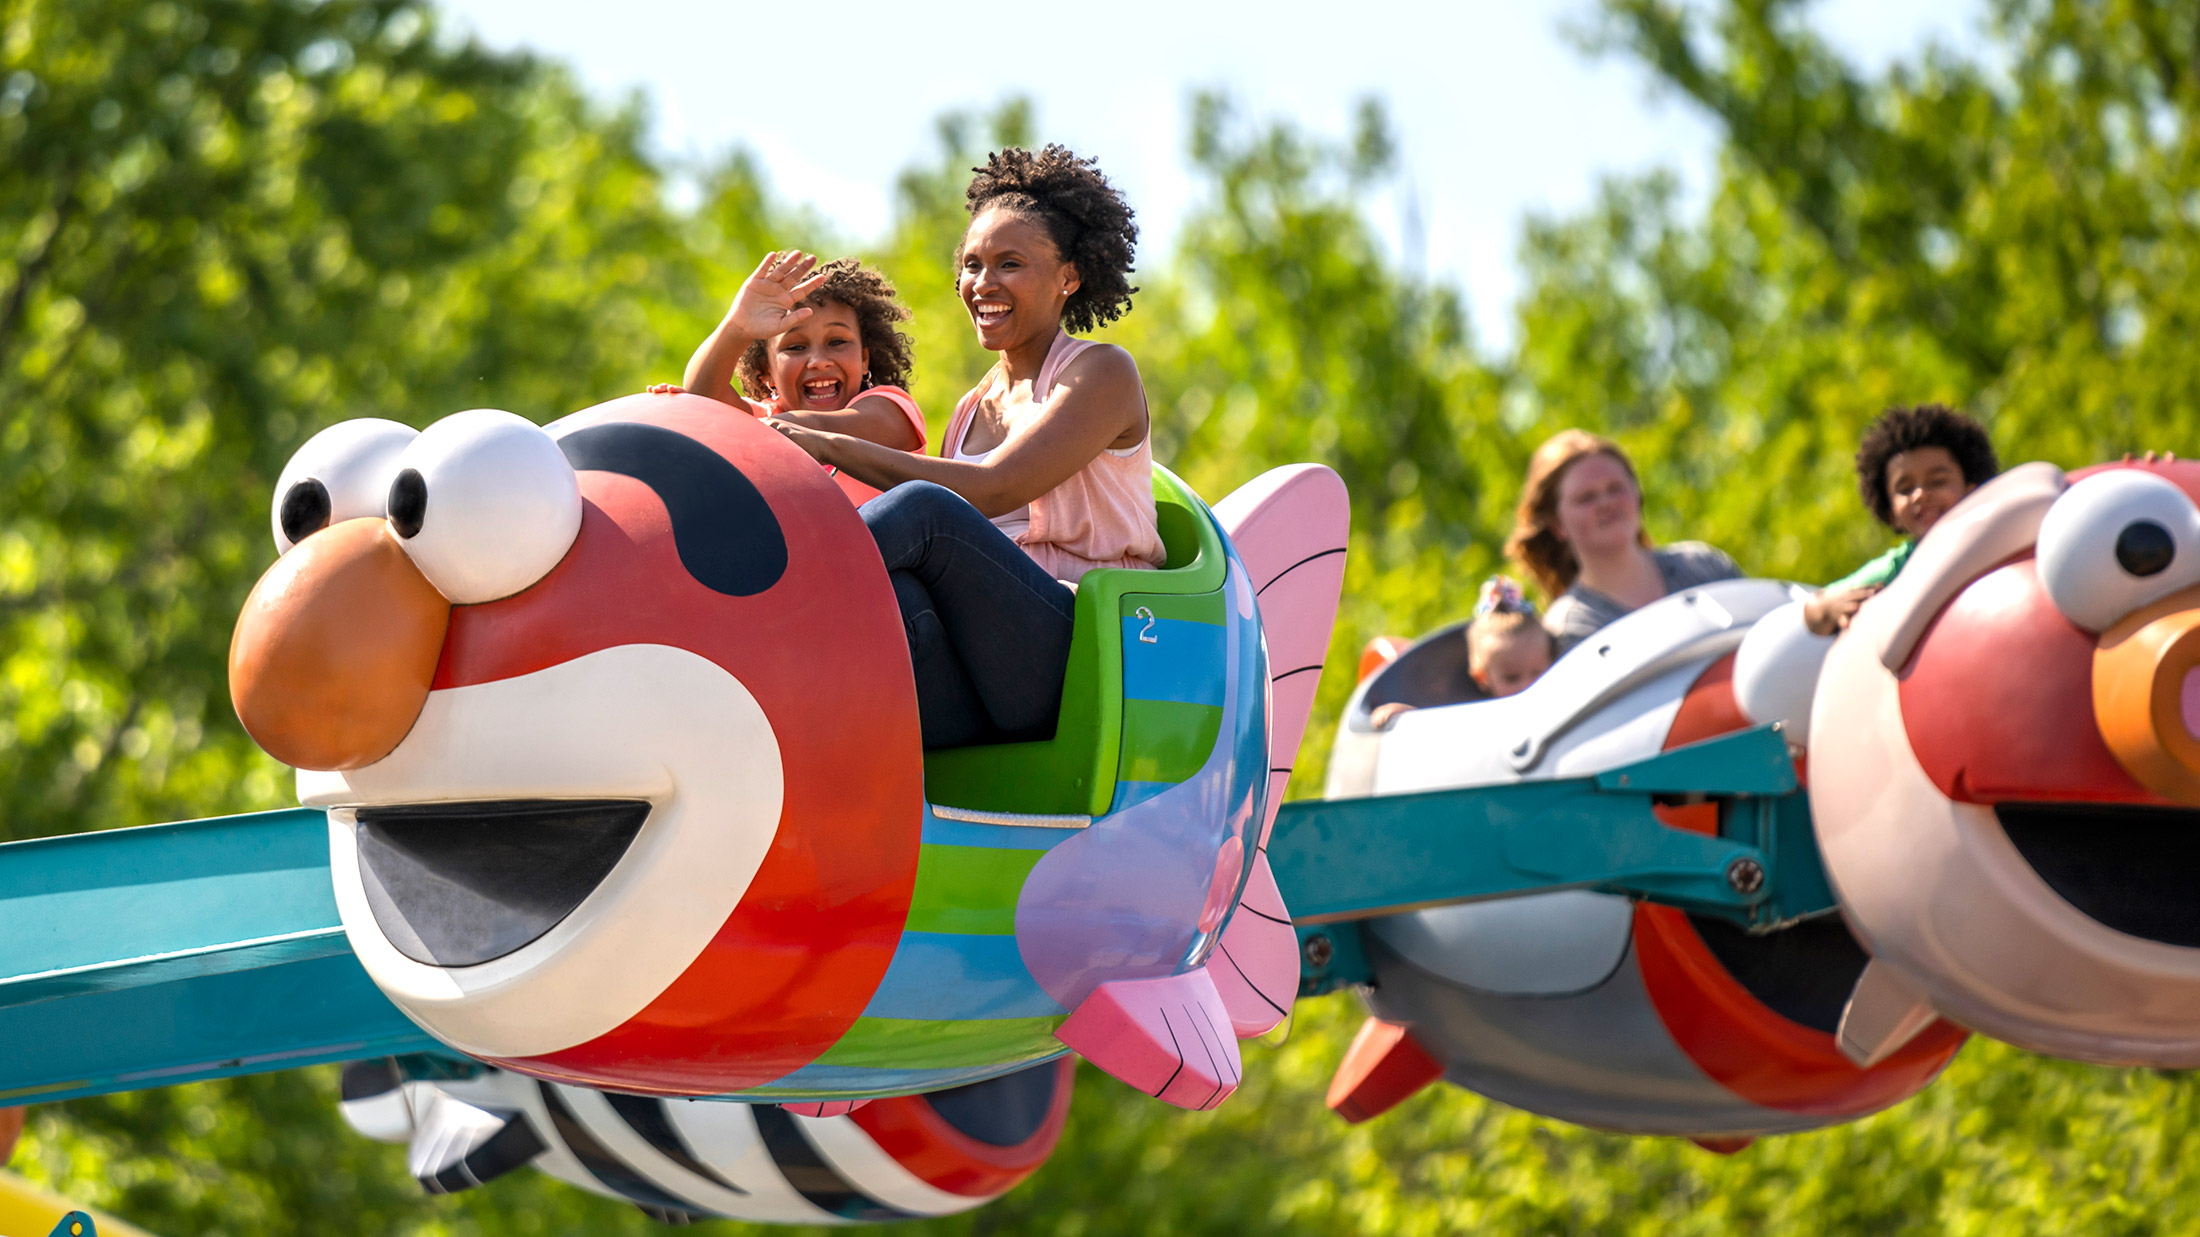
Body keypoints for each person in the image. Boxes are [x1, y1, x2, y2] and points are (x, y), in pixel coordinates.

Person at [767, 145, 1161, 749]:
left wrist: (818, 440)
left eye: (1009, 264)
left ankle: (756, 613)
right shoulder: (971, 409)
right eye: (972, 265)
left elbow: (993, 488)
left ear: (1069, 277)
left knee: (926, 512)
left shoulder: (1101, 374)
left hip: (1083, 659)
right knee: (893, 597)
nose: (983, 284)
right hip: (982, 684)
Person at [659, 253, 927, 503]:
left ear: (864, 358)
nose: (819, 361)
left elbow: (815, 426)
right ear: (766, 372)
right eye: (796, 347)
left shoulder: (890, 408)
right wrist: (736, 327)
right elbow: (702, 395)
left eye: (837, 342)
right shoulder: (768, 415)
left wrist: (734, 428)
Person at [1508, 430, 1741, 652]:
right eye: (1586, 498)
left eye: (1615, 488)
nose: (1606, 503)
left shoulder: (1704, 568)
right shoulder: (1570, 630)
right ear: (1556, 525)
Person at [1803, 405, 1999, 635]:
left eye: (1937, 481)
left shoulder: (1997, 538)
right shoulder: (1897, 568)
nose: (1920, 495)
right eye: (1905, 489)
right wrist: (1828, 608)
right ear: (1891, 513)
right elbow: (1814, 608)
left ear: (1970, 489)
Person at [1370, 576, 1557, 728]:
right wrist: (1405, 715)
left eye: (1537, 673)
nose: (1528, 685)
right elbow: (1446, 731)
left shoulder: (1558, 708)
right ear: (1482, 677)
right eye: (1512, 678)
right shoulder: (1480, 717)